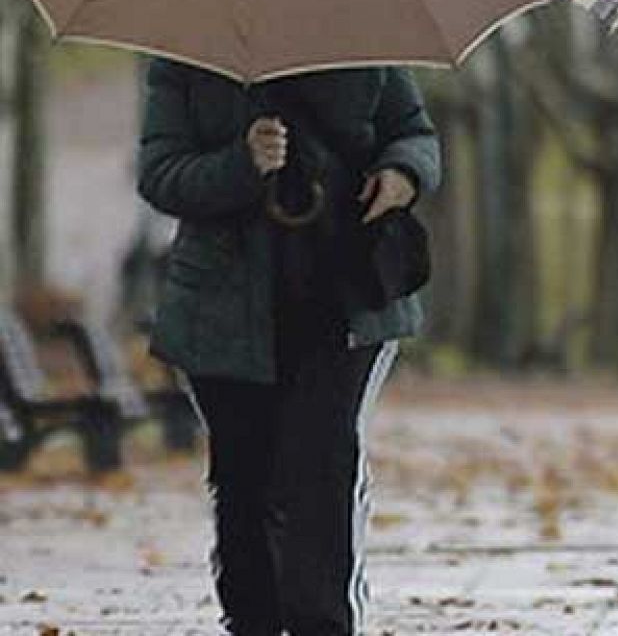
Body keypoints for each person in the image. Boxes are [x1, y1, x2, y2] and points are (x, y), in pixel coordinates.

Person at [138, 61, 440, 636]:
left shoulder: (364, 36)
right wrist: (242, 163)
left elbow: (416, 134)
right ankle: (251, 620)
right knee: (243, 481)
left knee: (323, 468)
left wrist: (404, 174)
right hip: (223, 313)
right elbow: (159, 174)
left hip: (346, 302)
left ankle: (324, 625)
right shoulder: (185, 59)